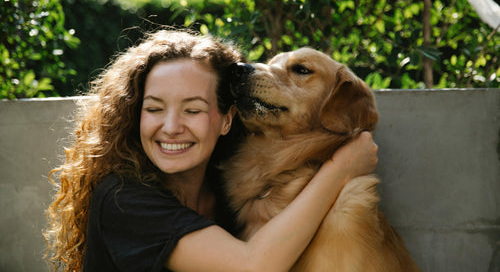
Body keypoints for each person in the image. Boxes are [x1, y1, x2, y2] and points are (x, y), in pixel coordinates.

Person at [44, 29, 378, 272]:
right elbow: (252, 266)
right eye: (155, 109)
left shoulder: (231, 188)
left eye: (193, 110)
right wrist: (341, 168)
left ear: (227, 120)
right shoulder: (123, 199)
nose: (171, 127)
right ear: (135, 114)